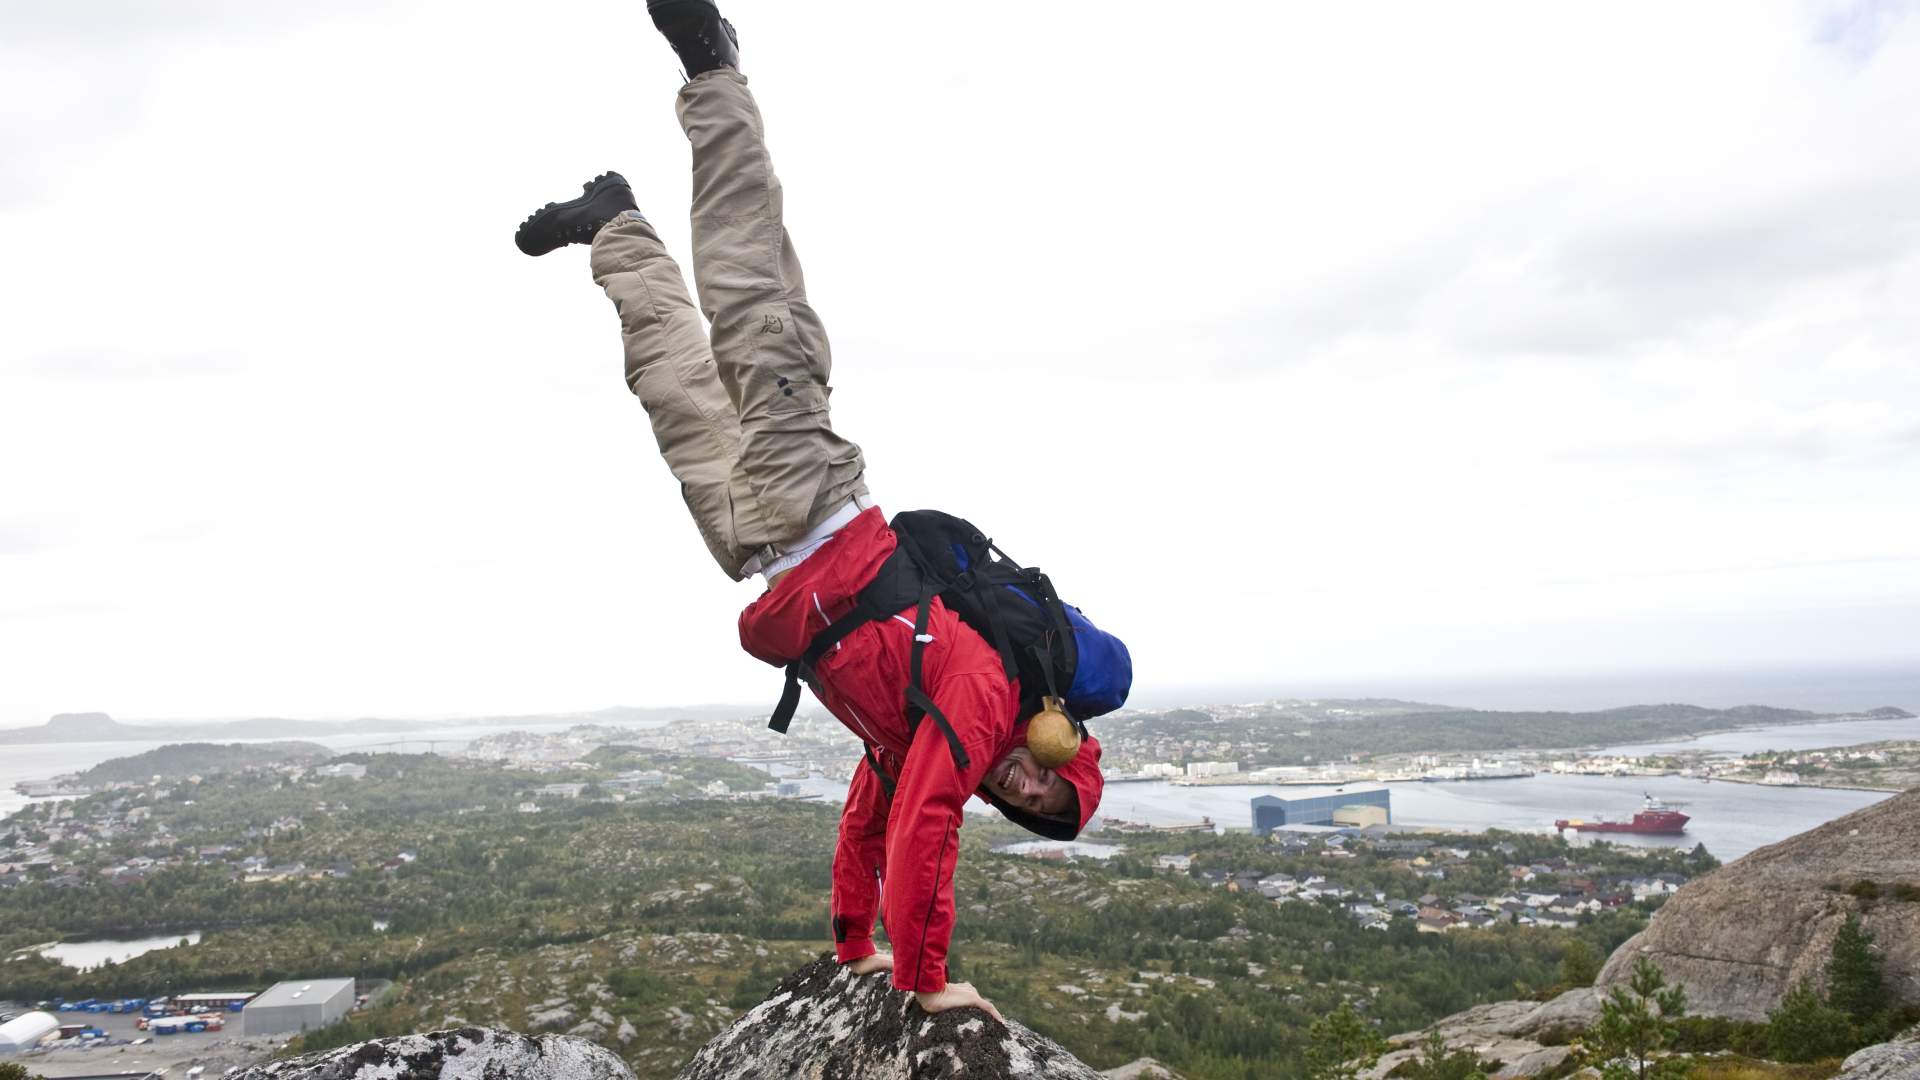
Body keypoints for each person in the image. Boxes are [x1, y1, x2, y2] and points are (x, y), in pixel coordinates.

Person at [512, 0, 1106, 1023]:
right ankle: (714, 72)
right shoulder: (983, 692)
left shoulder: (914, 732)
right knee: (748, 287)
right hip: (818, 499)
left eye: (1034, 807)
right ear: (1064, 749)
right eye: (1053, 787)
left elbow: (872, 817)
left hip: (763, 551)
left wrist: (853, 945)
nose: (1027, 789)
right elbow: (924, 823)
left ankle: (612, 225)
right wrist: (922, 983)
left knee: (667, 379)